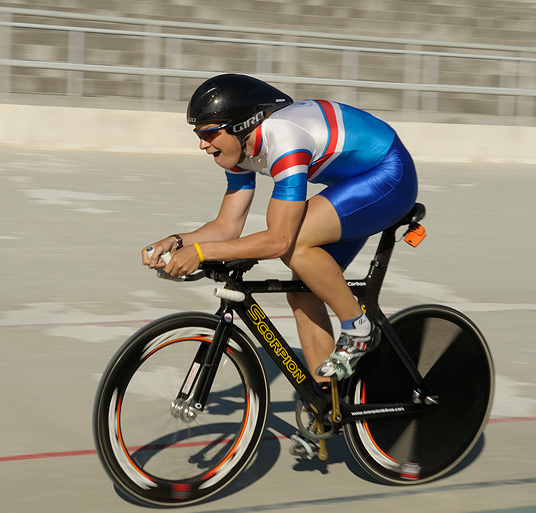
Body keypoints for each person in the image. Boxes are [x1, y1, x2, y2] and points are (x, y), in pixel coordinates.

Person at [141, 73, 418, 384]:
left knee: (296, 246)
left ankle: (358, 327)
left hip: (391, 176)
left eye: (209, 134)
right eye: (198, 134)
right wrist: (177, 242)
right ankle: (327, 409)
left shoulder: (285, 138)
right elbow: (227, 226)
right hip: (353, 186)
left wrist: (201, 252)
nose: (202, 145)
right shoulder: (239, 151)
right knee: (302, 295)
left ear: (242, 126)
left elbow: (279, 240)